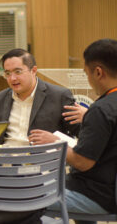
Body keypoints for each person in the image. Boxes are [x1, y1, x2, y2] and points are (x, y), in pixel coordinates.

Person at [31, 38, 117, 223]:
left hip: (97, 196)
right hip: (108, 189)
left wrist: (54, 142)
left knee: (20, 194)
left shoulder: (101, 110)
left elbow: (82, 162)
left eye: (87, 74)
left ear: (98, 72)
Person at [0, 48, 80, 146]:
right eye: (7, 73)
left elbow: (80, 138)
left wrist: (56, 140)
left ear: (33, 70)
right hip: (4, 161)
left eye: (18, 72)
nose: (12, 78)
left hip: (42, 162)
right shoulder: (0, 97)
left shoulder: (59, 96)